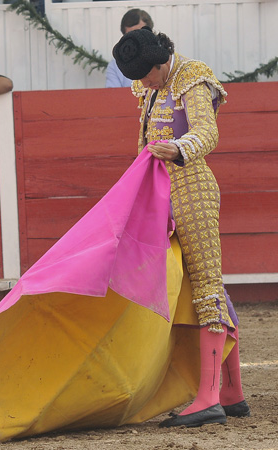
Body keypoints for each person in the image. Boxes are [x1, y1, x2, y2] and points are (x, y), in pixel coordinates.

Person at [111, 27, 250, 428]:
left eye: (147, 76)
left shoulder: (191, 75)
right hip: (160, 194)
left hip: (193, 189)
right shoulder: (150, 86)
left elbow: (208, 132)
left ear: (161, 62)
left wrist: (180, 148)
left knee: (206, 285)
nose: (142, 84)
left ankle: (208, 399)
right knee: (205, 287)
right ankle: (231, 391)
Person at [106, 9, 153, 88]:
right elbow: (113, 96)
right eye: (131, 36)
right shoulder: (114, 66)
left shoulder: (165, 59)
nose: (137, 39)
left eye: (140, 33)